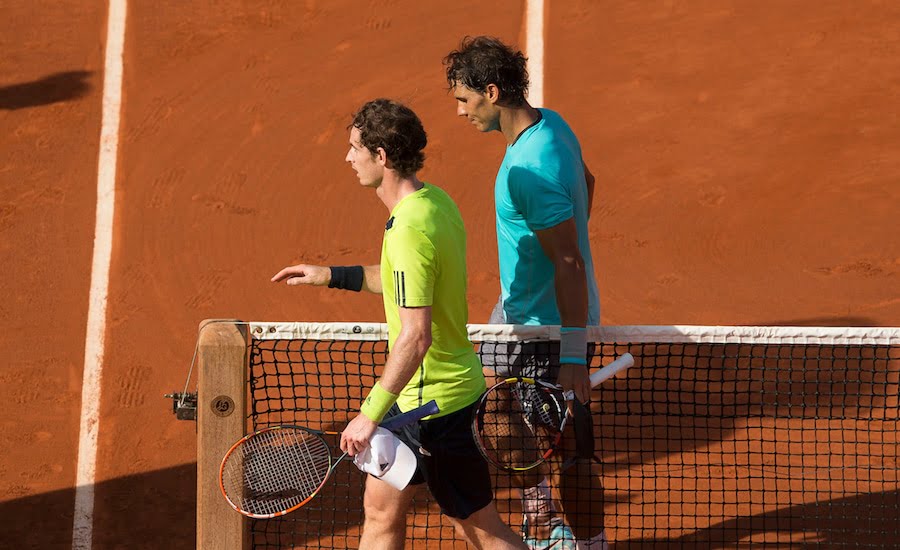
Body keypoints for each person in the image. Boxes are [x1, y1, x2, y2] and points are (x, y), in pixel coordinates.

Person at [272, 98, 526, 550]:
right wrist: (328, 275)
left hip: (437, 408)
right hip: (411, 401)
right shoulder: (433, 202)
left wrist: (369, 416)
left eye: (355, 149)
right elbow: (402, 282)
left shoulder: (409, 229)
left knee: (480, 530)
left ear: (382, 156)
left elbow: (415, 336)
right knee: (380, 511)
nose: (348, 158)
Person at [443, 36, 607, 550]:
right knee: (493, 407)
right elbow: (587, 181)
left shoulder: (526, 171)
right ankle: (542, 517)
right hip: (518, 309)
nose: (461, 111)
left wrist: (575, 353)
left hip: (547, 325)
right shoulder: (553, 125)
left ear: (492, 92)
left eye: (465, 101)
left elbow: (568, 260)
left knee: (571, 447)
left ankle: (585, 543)